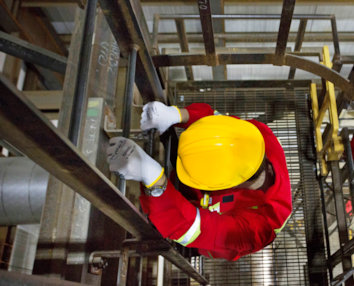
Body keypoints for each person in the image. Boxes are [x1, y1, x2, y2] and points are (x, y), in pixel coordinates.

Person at [107, 103, 292, 261]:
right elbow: (216, 122)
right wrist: (176, 114)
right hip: (195, 186)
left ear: (231, 186)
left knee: (158, 225)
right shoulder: (259, 135)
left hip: (200, 236)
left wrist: (153, 178)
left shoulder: (259, 228)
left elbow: (194, 229)